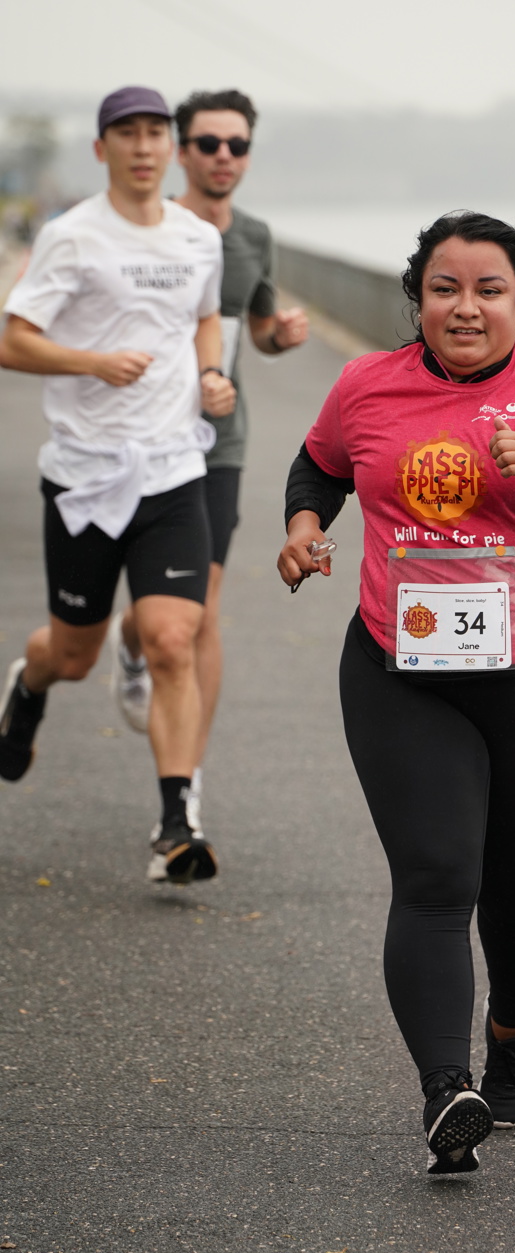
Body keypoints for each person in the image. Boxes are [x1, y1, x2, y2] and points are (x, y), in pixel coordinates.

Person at [277, 211, 515, 1172]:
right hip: (400, 673)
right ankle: (448, 1092)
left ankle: (511, 1030)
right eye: (445, 288)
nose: (466, 307)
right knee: (437, 877)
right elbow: (319, 465)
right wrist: (304, 527)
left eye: (490, 290)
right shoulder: (368, 384)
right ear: (418, 300)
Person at [0, 85, 236, 883]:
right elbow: (14, 341)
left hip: (172, 469)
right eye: (126, 134)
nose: (142, 147)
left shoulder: (197, 238)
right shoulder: (71, 237)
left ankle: (177, 824)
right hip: (87, 476)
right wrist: (92, 362)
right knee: (71, 654)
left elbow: (204, 316)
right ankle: (28, 685)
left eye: (154, 133)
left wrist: (211, 372)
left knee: (172, 637)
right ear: (102, 149)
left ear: (171, 147)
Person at [110, 90, 309, 839]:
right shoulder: (151, 227)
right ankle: (130, 642)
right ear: (182, 151)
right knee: (163, 617)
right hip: (141, 435)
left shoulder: (254, 235)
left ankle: (186, 779)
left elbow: (255, 330)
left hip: (219, 441)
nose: (224, 156)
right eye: (209, 143)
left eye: (238, 144)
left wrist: (280, 334)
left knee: (202, 609)